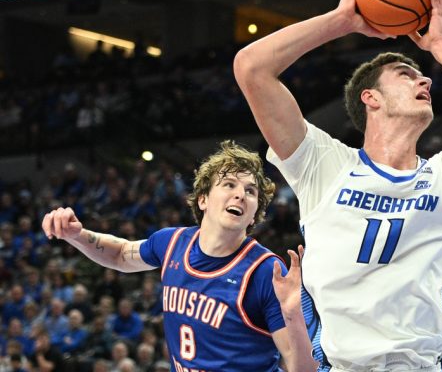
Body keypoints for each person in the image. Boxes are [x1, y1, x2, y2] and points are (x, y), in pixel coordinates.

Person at [234, 0, 442, 371]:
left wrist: (440, 44)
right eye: (406, 75)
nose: (425, 82)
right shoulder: (324, 163)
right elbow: (251, 67)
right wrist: (341, 21)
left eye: (422, 77)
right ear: (371, 98)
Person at [41, 141, 315, 372]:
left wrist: (293, 315)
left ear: (254, 215)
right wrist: (76, 235)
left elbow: (301, 368)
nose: (240, 195)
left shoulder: (265, 271)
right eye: (229, 184)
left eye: (250, 191)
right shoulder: (171, 242)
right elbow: (122, 254)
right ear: (203, 199)